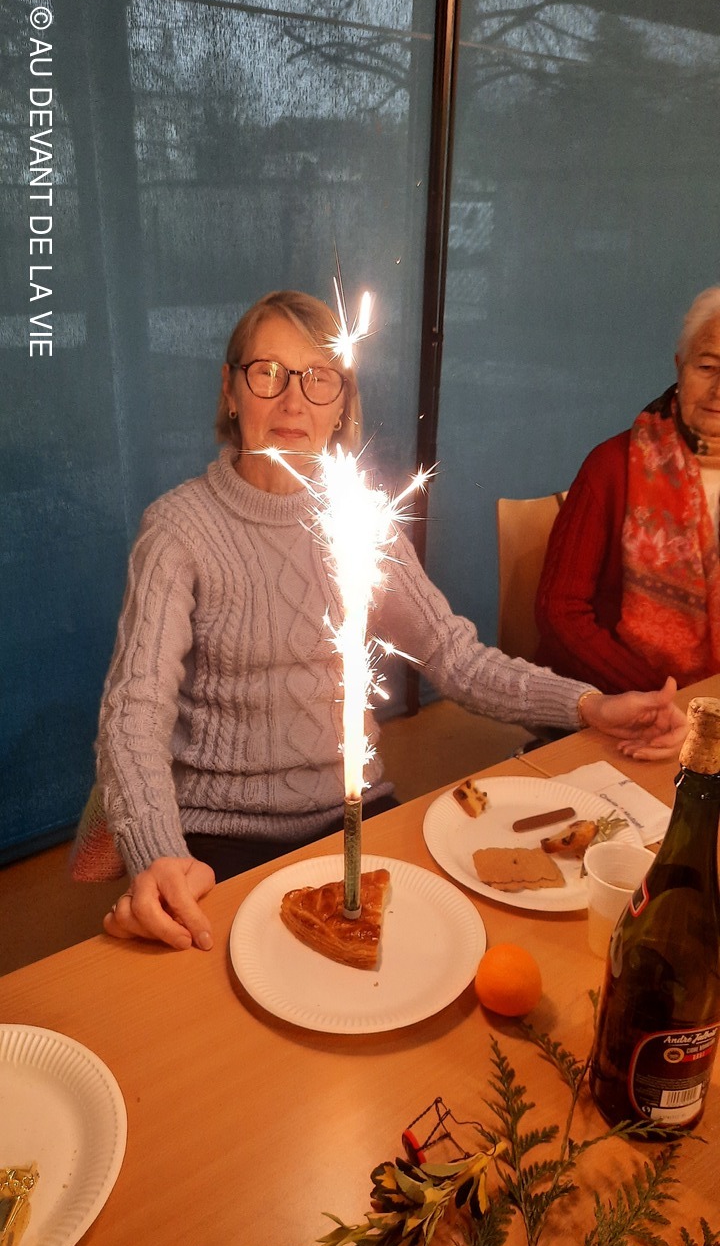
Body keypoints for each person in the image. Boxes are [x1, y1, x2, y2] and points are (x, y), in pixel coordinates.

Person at [74, 289, 687, 954]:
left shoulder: (361, 519)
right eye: (268, 373)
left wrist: (588, 704)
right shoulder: (178, 529)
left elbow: (454, 656)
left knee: (458, 956)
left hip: (356, 813)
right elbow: (134, 713)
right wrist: (160, 856)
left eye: (319, 378)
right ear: (230, 390)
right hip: (221, 835)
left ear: (342, 404)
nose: (293, 401)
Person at [536, 286, 720, 695]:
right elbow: (559, 612)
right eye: (708, 366)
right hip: (625, 699)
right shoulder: (612, 467)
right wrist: (659, 699)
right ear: (680, 366)